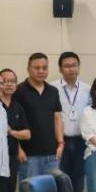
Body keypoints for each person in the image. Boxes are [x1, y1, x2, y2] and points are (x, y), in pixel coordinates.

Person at [13, 53, 63, 181]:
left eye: (44, 68)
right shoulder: (18, 91)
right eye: (36, 68)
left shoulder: (53, 91)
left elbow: (57, 118)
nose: (41, 71)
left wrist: (61, 144)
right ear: (28, 69)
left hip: (52, 154)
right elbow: (12, 124)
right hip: (28, 155)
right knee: (29, 191)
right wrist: (18, 149)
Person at [53, 52, 89, 192]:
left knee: (78, 183)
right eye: (66, 66)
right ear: (60, 69)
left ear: (79, 67)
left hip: (81, 142)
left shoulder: (87, 89)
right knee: (60, 182)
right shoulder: (52, 88)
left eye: (74, 65)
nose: (71, 69)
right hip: (60, 142)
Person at [0, 68, 30, 192]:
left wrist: (12, 133)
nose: (9, 84)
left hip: (11, 159)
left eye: (12, 81)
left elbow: (27, 134)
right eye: (5, 81)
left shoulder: (17, 106)